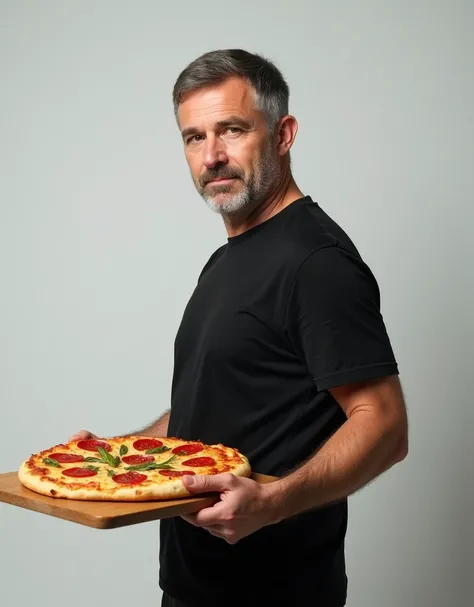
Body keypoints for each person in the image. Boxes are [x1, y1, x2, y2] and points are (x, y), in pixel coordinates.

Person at [70, 49, 408, 606]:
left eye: (231, 130)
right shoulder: (228, 259)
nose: (212, 156)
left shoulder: (315, 261)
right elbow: (208, 407)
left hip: (277, 591)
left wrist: (271, 504)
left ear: (284, 133)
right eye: (194, 137)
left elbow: (386, 426)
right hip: (194, 584)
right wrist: (115, 455)